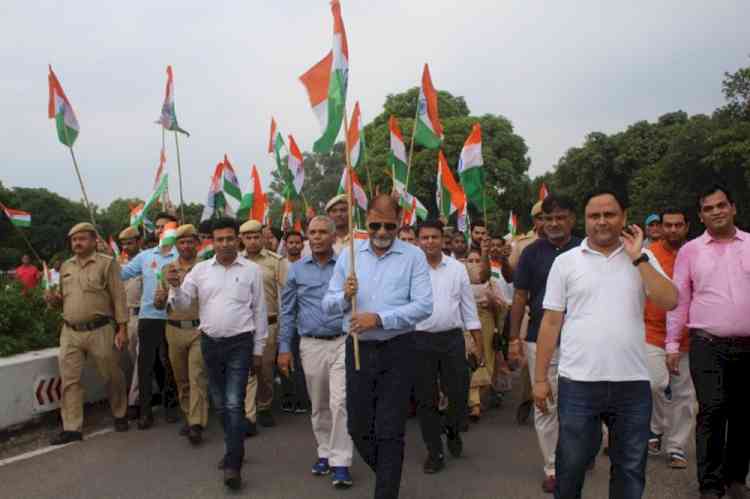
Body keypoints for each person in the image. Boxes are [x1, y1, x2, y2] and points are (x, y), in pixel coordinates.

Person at [533, 191, 678, 499]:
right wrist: (539, 379)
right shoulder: (566, 262)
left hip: (632, 384)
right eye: (594, 216)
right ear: (584, 220)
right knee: (571, 465)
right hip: (579, 383)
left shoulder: (643, 258)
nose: (601, 221)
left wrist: (638, 257)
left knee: (629, 469)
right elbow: (551, 322)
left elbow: (669, 300)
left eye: (609, 214)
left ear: (624, 217)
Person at [323, 194, 433, 499]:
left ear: (399, 223)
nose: (382, 232)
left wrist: (381, 319)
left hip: (398, 349)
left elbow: (424, 306)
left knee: (390, 428)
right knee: (358, 427)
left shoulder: (413, 256)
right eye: (375, 225)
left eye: (389, 226)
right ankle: (388, 473)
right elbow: (328, 306)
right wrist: (344, 296)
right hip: (358, 349)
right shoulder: (349, 256)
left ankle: (386, 491)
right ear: (365, 221)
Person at [167, 217, 268, 491]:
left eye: (229, 238)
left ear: (237, 239)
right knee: (221, 403)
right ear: (212, 241)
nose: (224, 244)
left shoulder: (251, 271)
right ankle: (234, 445)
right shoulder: (200, 271)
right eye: (219, 239)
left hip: (241, 344)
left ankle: (234, 463)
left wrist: (258, 350)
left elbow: (259, 312)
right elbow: (184, 301)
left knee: (235, 402)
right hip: (210, 343)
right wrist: (174, 286)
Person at [666, 185, 750, 499]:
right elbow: (680, 299)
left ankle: (735, 478)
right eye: (708, 208)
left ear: (733, 208)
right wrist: (673, 344)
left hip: (747, 345)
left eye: (721, 205)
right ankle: (710, 484)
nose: (716, 212)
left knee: (743, 414)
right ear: (701, 216)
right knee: (713, 409)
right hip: (707, 343)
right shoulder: (691, 251)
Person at [508, 194, 581, 493]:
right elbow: (520, 297)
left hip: (582, 340)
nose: (554, 223)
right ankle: (552, 466)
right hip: (540, 338)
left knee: (579, 405)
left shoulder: (585, 250)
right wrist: (513, 338)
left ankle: (578, 454)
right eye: (548, 218)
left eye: (560, 217)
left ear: (572, 219)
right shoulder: (531, 254)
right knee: (546, 405)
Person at [278, 216, 353, 489]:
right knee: (319, 403)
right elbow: (287, 312)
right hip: (310, 344)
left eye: (324, 232)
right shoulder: (296, 270)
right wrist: (284, 348)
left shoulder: (347, 266)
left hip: (342, 341)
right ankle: (324, 452)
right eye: (313, 232)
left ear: (334, 236)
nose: (318, 237)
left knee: (340, 402)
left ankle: (341, 461)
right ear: (308, 237)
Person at [44, 223, 129, 445]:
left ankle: (120, 413)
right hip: (70, 332)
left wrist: (122, 328)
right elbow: (63, 299)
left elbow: (119, 297)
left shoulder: (107, 264)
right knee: (70, 380)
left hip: (100, 329)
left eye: (82, 239)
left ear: (93, 240)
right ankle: (72, 427)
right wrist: (53, 301)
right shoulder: (65, 266)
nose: (77, 243)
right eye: (74, 240)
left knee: (111, 374)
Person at [414, 219, 480, 474]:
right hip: (419, 342)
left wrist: (477, 344)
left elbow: (468, 308)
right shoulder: (411, 269)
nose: (430, 242)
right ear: (419, 241)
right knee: (425, 400)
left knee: (459, 394)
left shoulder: (456, 268)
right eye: (425, 238)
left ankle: (453, 430)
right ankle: (434, 451)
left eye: (434, 237)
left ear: (443, 240)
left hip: (452, 339)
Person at [643, 208, 695, 470]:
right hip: (652, 331)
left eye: (678, 225)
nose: (672, 230)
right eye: (668, 225)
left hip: (687, 335)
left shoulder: (695, 252)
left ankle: (676, 446)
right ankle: (656, 427)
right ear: (660, 227)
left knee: (684, 394)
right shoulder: (649, 254)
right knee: (655, 384)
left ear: (687, 226)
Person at [121, 212, 178, 429]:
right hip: (148, 318)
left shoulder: (179, 256)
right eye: (159, 227)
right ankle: (145, 412)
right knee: (145, 366)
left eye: (166, 227)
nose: (161, 230)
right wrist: (106, 259)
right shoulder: (145, 257)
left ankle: (171, 407)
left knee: (171, 364)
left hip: (173, 317)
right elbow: (123, 274)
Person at [155, 225, 208, 445]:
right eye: (181, 242)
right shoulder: (168, 268)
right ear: (176, 245)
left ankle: (197, 423)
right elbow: (159, 302)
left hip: (199, 329)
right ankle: (189, 415)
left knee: (197, 376)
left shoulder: (205, 268)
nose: (186, 246)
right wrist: (160, 296)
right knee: (182, 378)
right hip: (174, 328)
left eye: (190, 241)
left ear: (197, 243)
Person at [240, 220, 288, 429]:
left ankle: (265, 405)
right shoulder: (236, 262)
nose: (252, 241)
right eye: (247, 237)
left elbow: (286, 296)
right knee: (245, 369)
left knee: (265, 369)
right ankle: (248, 414)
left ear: (263, 237)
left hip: (269, 324)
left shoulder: (276, 262)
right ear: (241, 239)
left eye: (256, 237)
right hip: (242, 324)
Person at [279, 229, 310, 415]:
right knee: (284, 359)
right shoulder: (280, 264)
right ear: (285, 244)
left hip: (304, 321)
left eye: (298, 242)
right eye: (291, 242)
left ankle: (301, 399)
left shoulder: (307, 264)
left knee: (300, 362)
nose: (295, 246)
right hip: (285, 318)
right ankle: (288, 397)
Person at [118, 226, 143, 420]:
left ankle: (134, 401)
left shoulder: (148, 260)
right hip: (124, 318)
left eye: (130, 242)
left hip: (143, 316)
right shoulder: (119, 264)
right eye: (123, 243)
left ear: (139, 242)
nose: (127, 246)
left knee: (141, 360)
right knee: (133, 360)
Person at [501, 200, 545, 284]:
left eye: (548, 218)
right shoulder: (522, 244)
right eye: (540, 218)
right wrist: (504, 261)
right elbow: (509, 278)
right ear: (534, 220)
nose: (545, 222)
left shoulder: (563, 242)